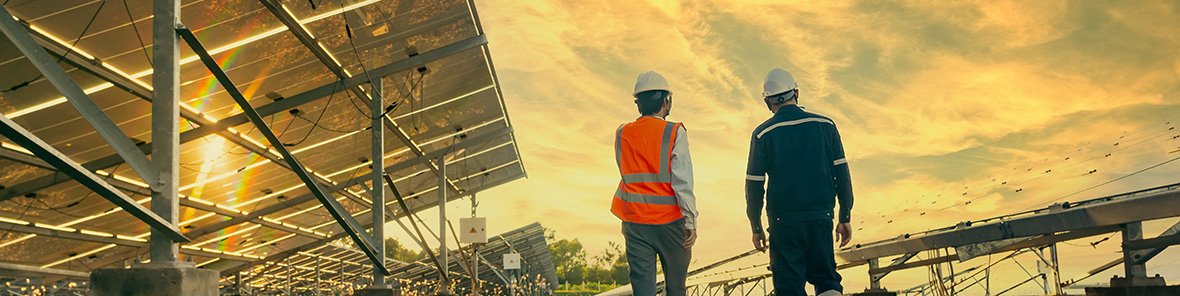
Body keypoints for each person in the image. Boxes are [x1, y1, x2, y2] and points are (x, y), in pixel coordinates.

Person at [745, 68, 854, 296]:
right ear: (796, 92)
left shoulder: (763, 134)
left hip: (783, 223)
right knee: (826, 280)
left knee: (789, 288)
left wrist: (756, 226)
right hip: (820, 218)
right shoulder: (826, 125)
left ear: (768, 101)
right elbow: (842, 175)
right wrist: (844, 216)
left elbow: (754, 186)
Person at [611, 70, 699, 296]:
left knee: (643, 289)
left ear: (638, 103)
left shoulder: (622, 132)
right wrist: (690, 220)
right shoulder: (673, 131)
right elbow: (683, 180)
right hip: (670, 222)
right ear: (665, 100)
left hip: (635, 221)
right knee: (676, 287)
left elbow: (626, 170)